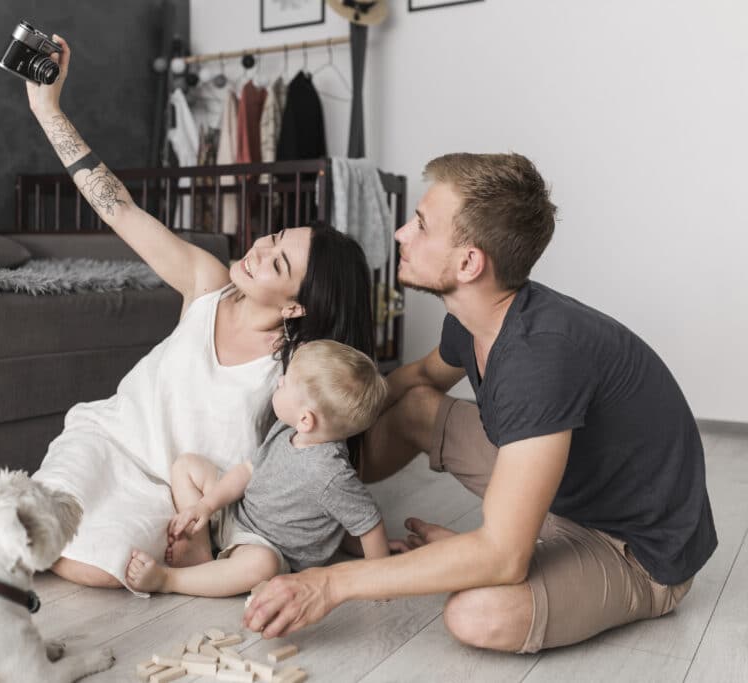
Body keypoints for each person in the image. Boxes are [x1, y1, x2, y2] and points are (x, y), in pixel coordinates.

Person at [0, 34, 379, 592]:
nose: (259, 248)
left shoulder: (300, 370)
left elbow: (313, 457)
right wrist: (47, 108)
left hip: (178, 492)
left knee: (93, 566)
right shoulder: (207, 281)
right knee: (46, 522)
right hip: (109, 440)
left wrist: (360, 538)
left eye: (278, 261)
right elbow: (120, 209)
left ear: (297, 305)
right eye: (274, 235)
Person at [243, 153, 717, 653]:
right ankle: (305, 511)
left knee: (477, 614)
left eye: (421, 226)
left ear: (469, 263)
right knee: (416, 408)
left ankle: (530, 551)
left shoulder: (538, 358)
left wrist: (331, 584)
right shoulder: (475, 317)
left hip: (633, 550)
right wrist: (321, 428)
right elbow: (416, 378)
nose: (402, 234)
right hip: (564, 491)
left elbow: (503, 559)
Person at [125, 340, 393, 597]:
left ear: (305, 419)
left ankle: (169, 580)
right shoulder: (285, 429)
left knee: (261, 566)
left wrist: (378, 580)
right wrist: (206, 506)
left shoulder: (331, 475)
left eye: (285, 384)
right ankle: (200, 550)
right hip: (239, 512)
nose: (279, 381)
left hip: (265, 546)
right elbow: (248, 470)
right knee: (187, 466)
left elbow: (368, 522)